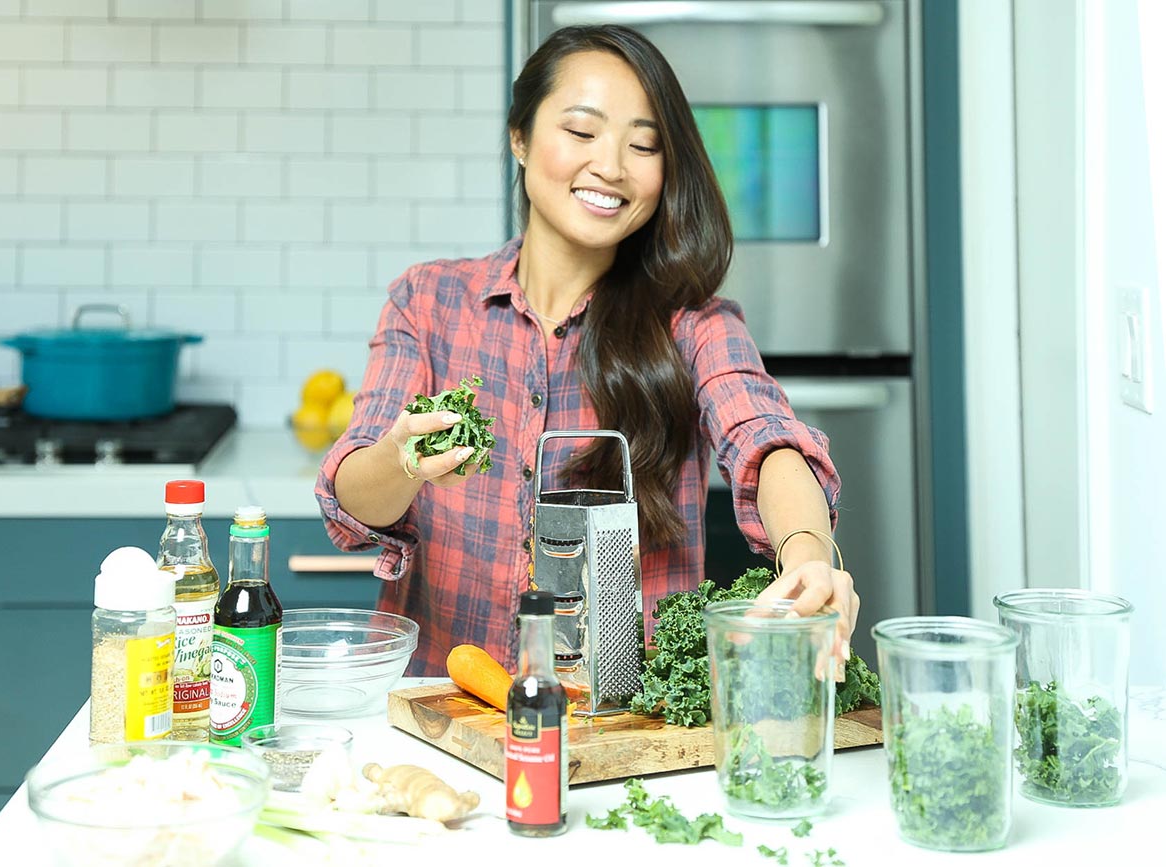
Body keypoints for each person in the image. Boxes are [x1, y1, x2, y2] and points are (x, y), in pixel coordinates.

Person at [315, 24, 857, 677]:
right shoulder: (428, 302)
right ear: (520, 138)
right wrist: (404, 461)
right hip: (442, 714)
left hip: (621, 728)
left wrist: (806, 555)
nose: (611, 165)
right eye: (581, 131)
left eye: (643, 144)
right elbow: (355, 495)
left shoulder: (693, 324)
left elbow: (765, 440)